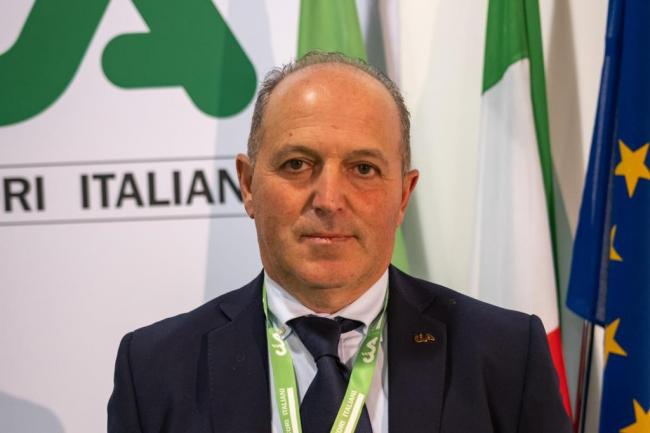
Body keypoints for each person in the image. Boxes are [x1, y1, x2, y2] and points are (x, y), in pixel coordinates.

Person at [108, 52, 572, 433]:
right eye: (296, 164)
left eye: (363, 169)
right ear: (248, 185)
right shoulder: (153, 370)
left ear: (403, 195)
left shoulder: (506, 355)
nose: (329, 200)